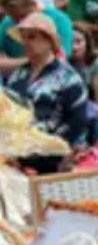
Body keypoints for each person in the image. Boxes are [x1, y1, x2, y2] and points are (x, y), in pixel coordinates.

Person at [6, 13, 88, 161]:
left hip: (55, 157)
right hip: (16, 155)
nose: (26, 42)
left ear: (49, 41)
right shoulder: (17, 75)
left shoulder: (68, 77)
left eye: (32, 37)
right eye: (23, 38)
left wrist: (48, 146)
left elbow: (78, 121)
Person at [0, 0, 74, 72]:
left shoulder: (59, 20)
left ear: (33, 5)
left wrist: (14, 63)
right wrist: (31, 61)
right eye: (14, 18)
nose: (20, 23)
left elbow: (60, 60)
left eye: (22, 16)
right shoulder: (8, 22)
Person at [70, 28, 98, 116]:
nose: (74, 47)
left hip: (92, 110)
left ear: (87, 43)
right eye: (71, 42)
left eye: (78, 42)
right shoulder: (64, 62)